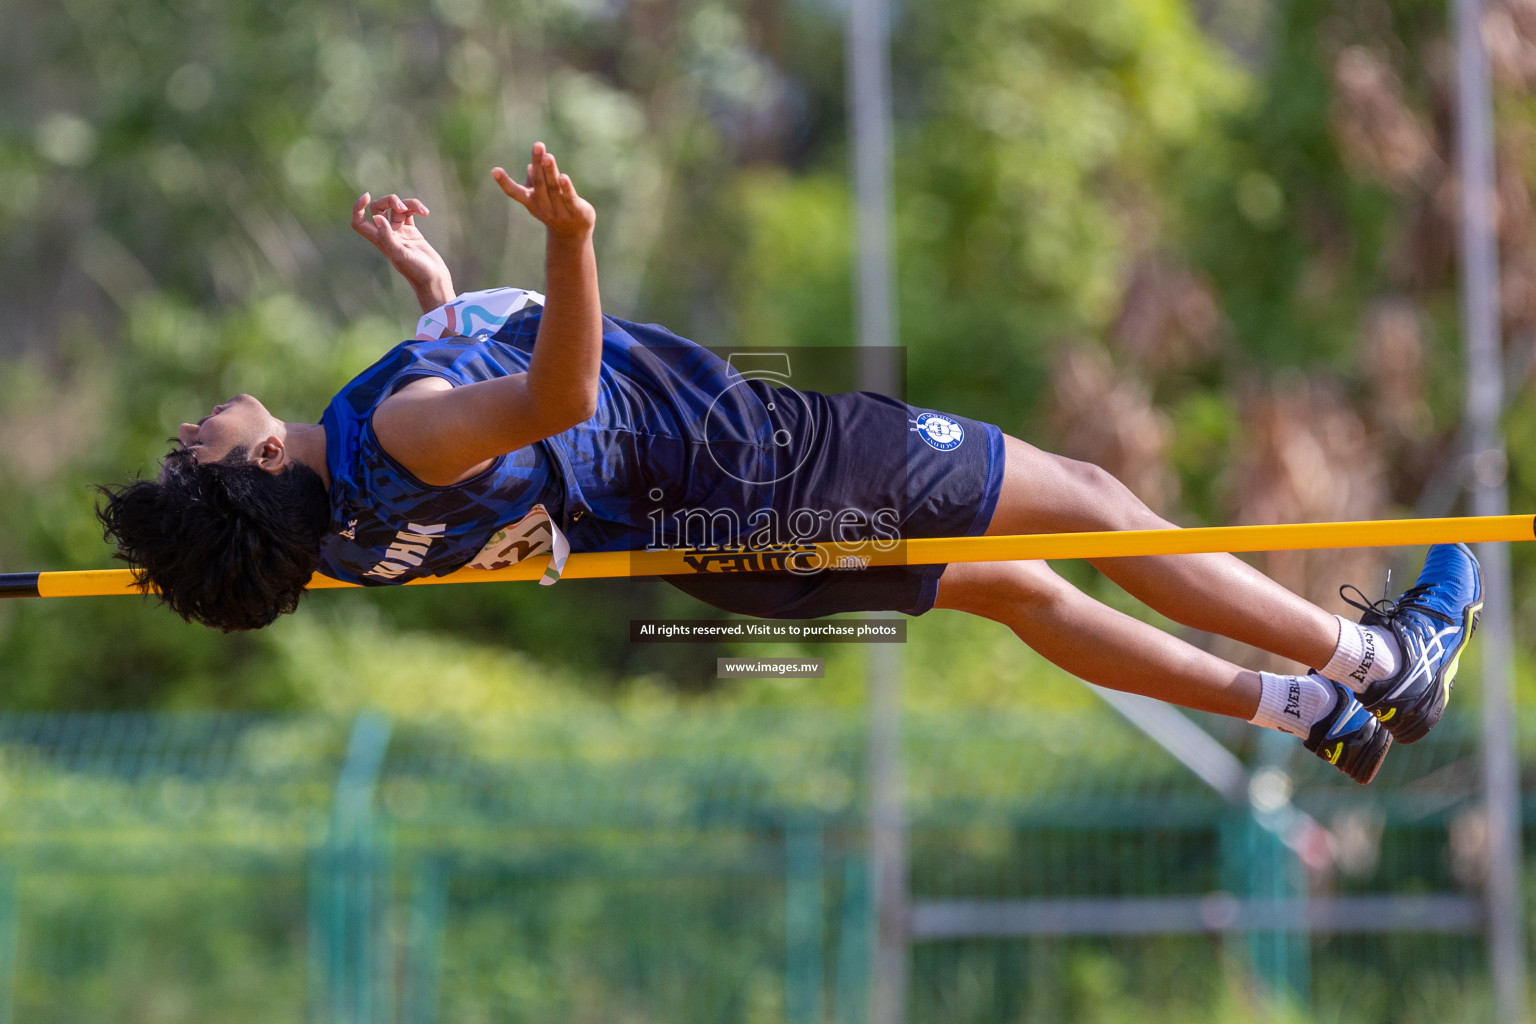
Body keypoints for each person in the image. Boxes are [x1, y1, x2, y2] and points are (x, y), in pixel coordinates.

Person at [96, 143, 1482, 785]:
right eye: (191, 451)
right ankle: (1378, 664)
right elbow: (559, 390)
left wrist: (438, 292)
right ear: (251, 465)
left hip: (722, 557)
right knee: (1103, 508)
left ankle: (1302, 709)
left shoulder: (341, 532)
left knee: (1030, 597)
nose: (191, 427)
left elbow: (483, 448)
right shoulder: (385, 438)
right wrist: (568, 241)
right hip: (767, 473)